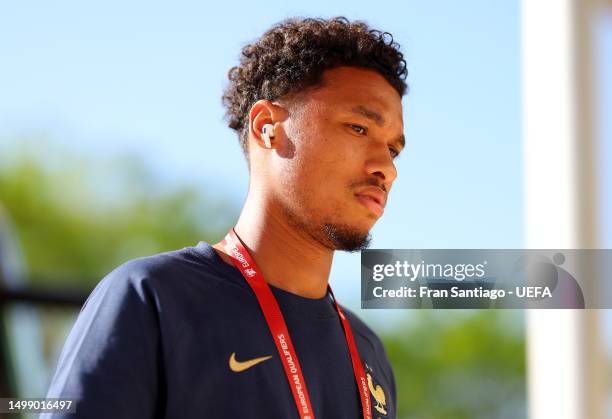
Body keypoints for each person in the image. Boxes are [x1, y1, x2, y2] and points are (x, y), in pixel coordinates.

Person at [42, 16, 407, 419]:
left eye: (393, 150)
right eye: (358, 128)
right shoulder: (152, 297)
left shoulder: (367, 350)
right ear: (267, 128)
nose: (385, 168)